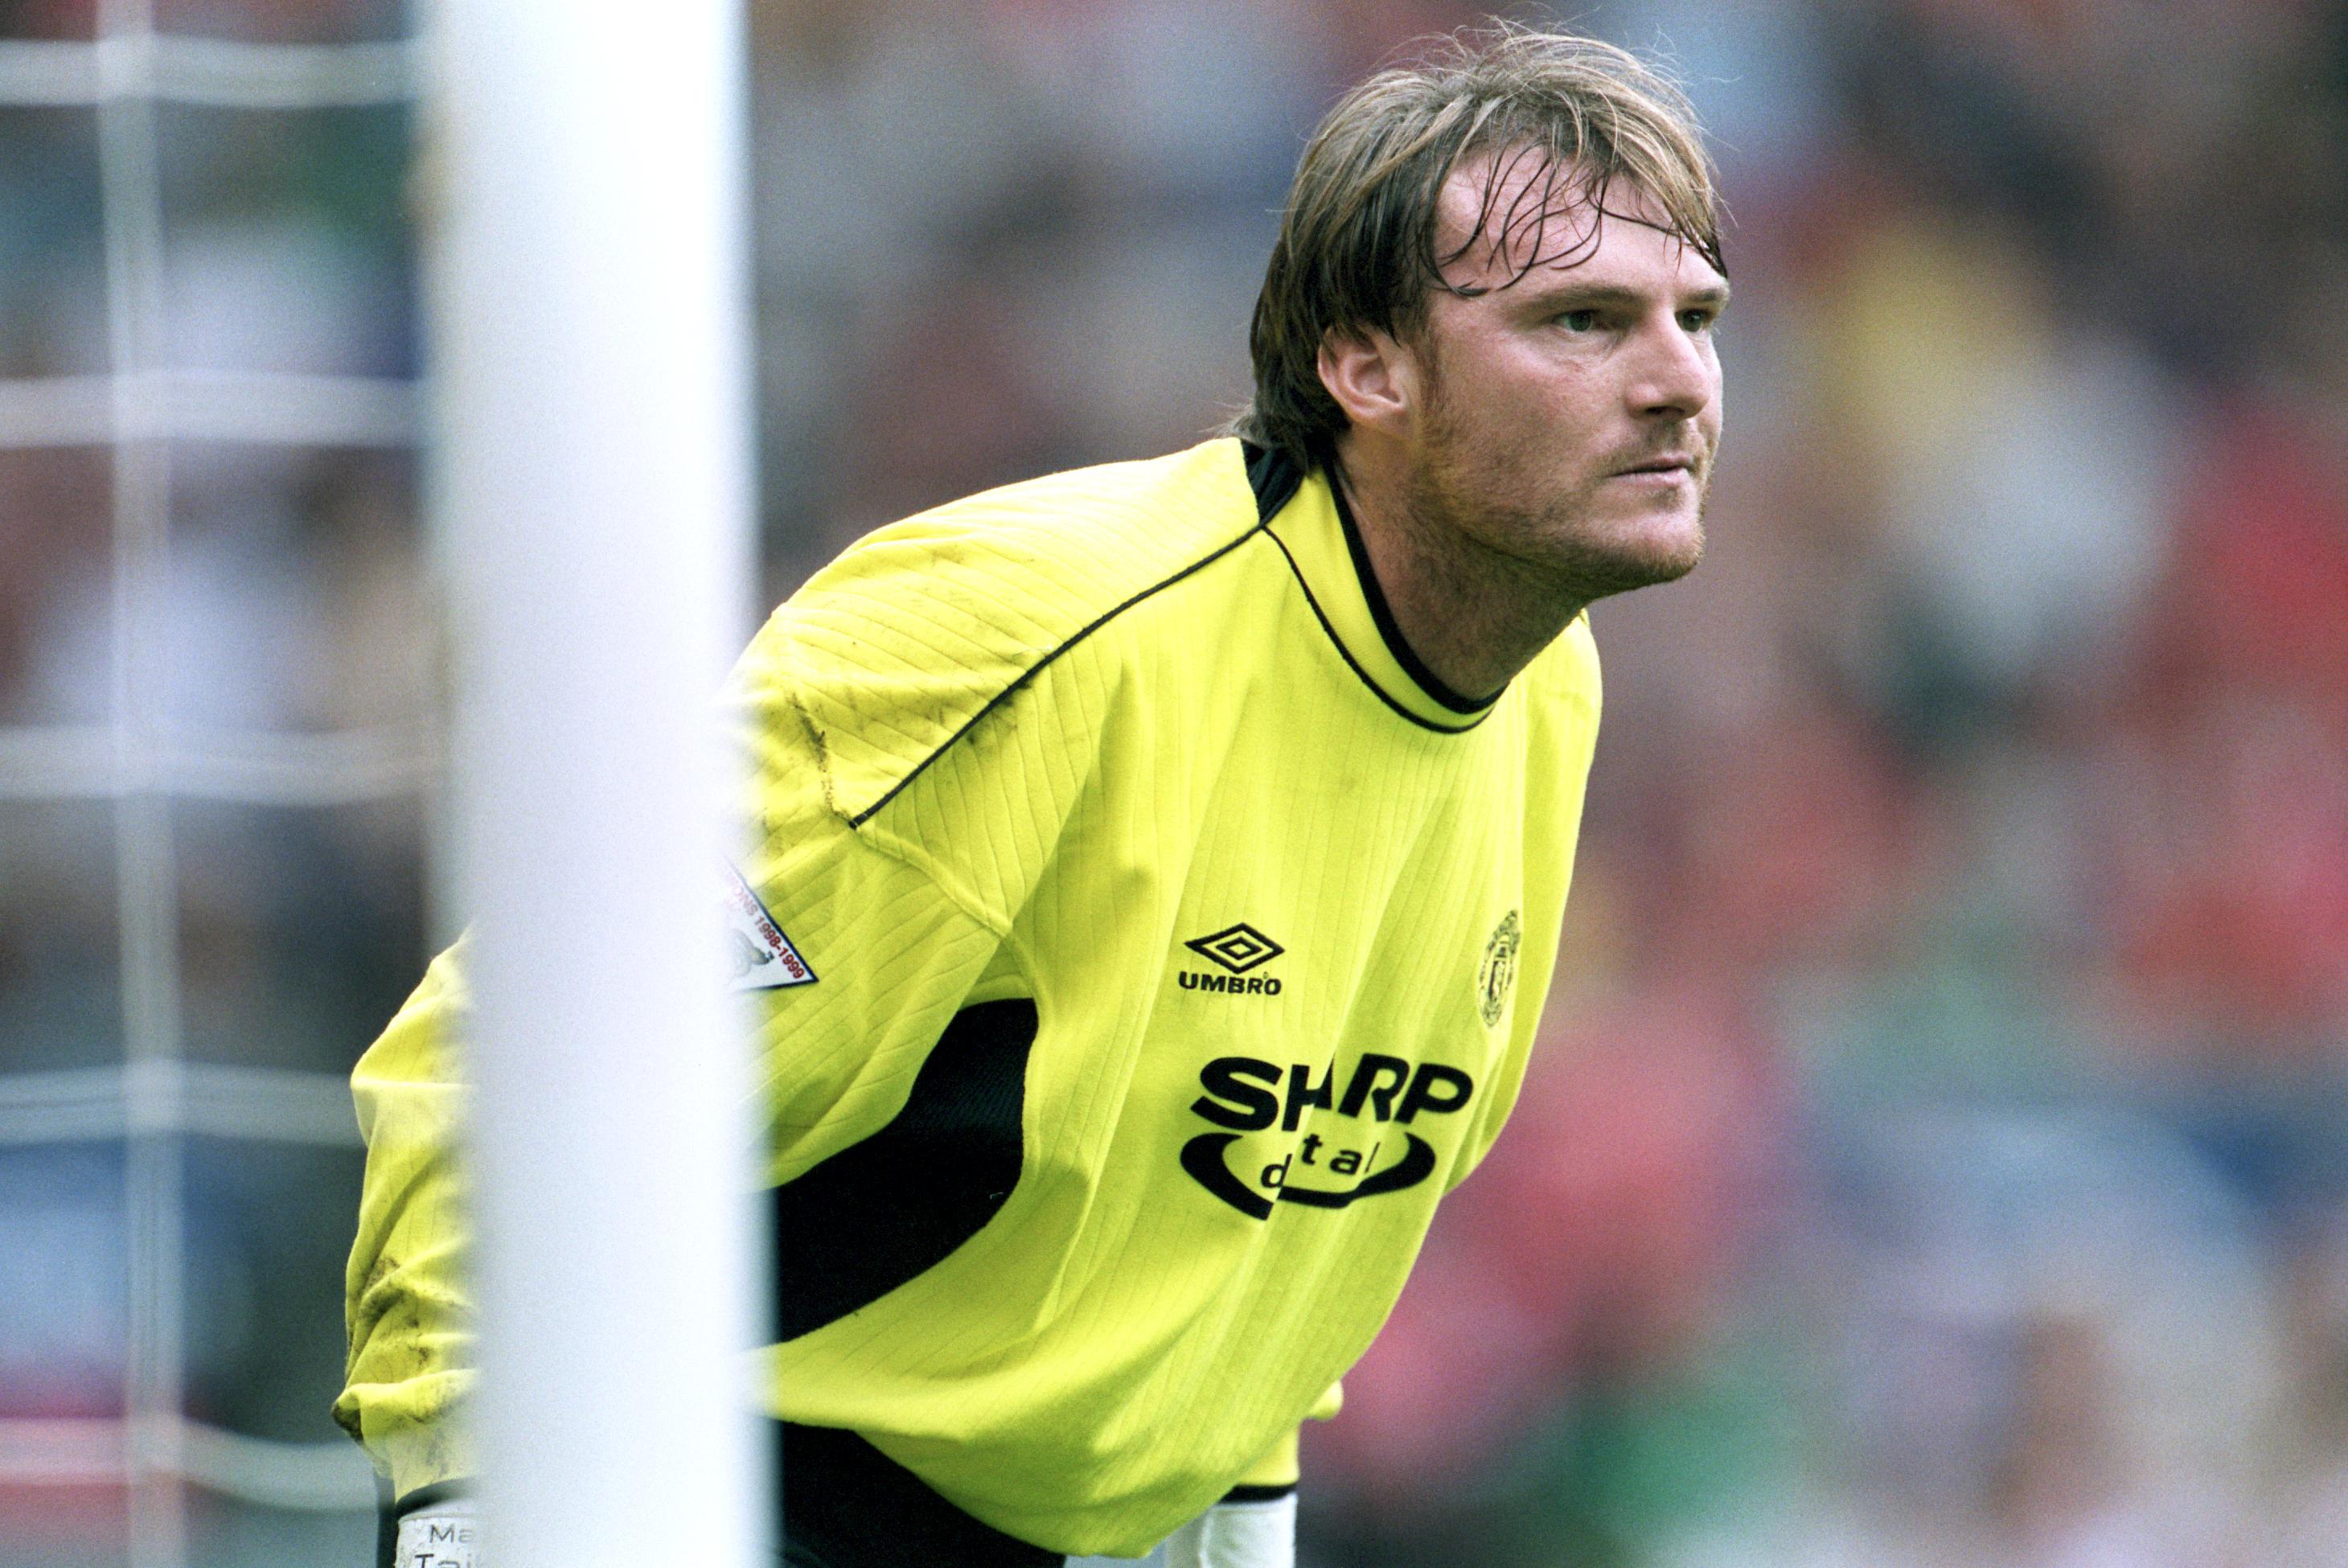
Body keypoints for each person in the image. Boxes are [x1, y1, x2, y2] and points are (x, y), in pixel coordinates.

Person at [335, 23, 1728, 1568]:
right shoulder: (1027, 646)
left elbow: (1268, 1218)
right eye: (1585, 320)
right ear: (1366, 365)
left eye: (1696, 315)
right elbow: (498, 1071)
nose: (1678, 382)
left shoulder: (1545, 679)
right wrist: (469, 1520)